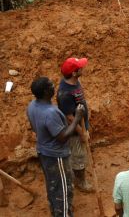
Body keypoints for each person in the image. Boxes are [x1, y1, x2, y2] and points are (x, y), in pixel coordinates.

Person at [28, 77, 86, 217]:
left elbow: (35, 128)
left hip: (44, 152)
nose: (54, 86)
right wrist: (77, 118)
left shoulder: (32, 106)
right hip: (56, 156)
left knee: (53, 185)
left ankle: (56, 212)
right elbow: (62, 137)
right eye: (51, 85)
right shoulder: (50, 113)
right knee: (64, 190)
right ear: (45, 91)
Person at [56, 57, 92, 193]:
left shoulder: (75, 81)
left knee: (81, 153)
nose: (82, 68)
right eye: (80, 67)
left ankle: (79, 176)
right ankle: (80, 182)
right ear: (74, 73)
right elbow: (70, 118)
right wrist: (81, 133)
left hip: (82, 124)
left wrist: (86, 125)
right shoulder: (64, 94)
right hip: (74, 131)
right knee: (78, 156)